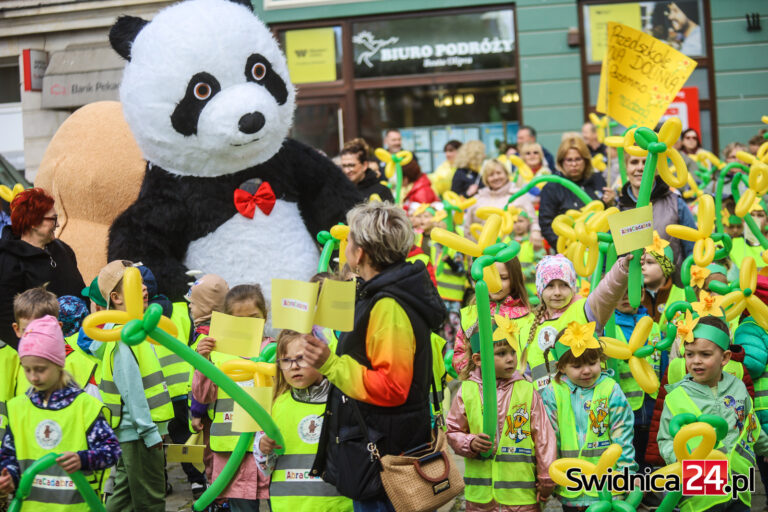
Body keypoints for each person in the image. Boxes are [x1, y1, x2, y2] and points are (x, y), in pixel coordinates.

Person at [303, 201, 445, 510]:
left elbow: (391, 388)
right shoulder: (380, 293)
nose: (345, 246)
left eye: (349, 240)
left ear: (361, 251)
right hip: (380, 447)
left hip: (384, 455)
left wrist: (330, 364)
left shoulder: (388, 306)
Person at [0, 315, 122, 509]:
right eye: (27, 369)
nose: (33, 377)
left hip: (77, 507)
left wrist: (82, 459)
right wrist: (9, 477)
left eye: (40, 369)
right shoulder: (17, 408)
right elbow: (9, 455)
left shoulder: (85, 406)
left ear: (58, 363)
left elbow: (111, 451)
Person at [658, 315, 768, 511]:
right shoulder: (675, 398)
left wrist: (765, 448)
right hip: (700, 492)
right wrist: (680, 459)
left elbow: (751, 424)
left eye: (705, 354)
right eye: (690, 354)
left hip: (738, 486)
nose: (696, 361)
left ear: (725, 358)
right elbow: (665, 439)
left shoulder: (738, 388)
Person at [90, 260, 173, 512]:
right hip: (138, 434)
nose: (145, 289)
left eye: (143, 282)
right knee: (151, 500)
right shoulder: (125, 336)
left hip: (134, 433)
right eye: (135, 284)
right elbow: (132, 390)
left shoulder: (132, 331)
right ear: (116, 298)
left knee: (124, 497)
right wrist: (149, 432)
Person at [446, 327, 556, 511]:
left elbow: (544, 437)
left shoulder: (527, 389)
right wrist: (469, 442)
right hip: (481, 498)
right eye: (501, 353)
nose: (511, 358)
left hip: (521, 496)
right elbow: (453, 430)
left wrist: (546, 480)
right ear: (478, 359)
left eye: (513, 351)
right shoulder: (467, 391)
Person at [540, 322, 637, 510]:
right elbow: (549, 439)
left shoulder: (611, 390)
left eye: (592, 363)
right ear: (561, 367)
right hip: (571, 486)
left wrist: (626, 476)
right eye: (577, 366)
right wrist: (549, 477)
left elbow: (623, 436)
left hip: (608, 488)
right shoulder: (553, 393)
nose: (586, 371)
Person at [253, 330, 352, 512]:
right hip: (288, 506)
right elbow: (265, 468)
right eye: (286, 360)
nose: (294, 366)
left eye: (302, 358)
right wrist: (263, 448)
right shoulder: (276, 405)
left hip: (336, 504)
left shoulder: (343, 401)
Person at [193, 283, 272, 511]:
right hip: (231, 452)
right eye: (240, 319)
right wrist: (203, 362)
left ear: (264, 317)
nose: (248, 325)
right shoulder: (217, 355)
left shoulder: (276, 350)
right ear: (229, 320)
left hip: (268, 450)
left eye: (254, 317)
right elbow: (203, 395)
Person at [523, 254, 631, 390]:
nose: (557, 292)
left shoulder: (586, 310)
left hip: (587, 405)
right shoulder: (529, 327)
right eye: (550, 286)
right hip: (548, 408)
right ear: (539, 291)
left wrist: (622, 268)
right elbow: (526, 375)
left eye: (564, 285)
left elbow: (608, 291)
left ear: (573, 288)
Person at [0, 187, 86, 349]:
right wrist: (30, 351)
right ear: (33, 222)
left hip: (78, 346)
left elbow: (80, 290)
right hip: (39, 352)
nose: (58, 224)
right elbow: (4, 316)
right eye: (53, 219)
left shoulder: (63, 249)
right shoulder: (8, 260)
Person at [453, 258, 531, 374]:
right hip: (479, 389)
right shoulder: (472, 315)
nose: (496, 284)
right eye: (490, 277)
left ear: (515, 280)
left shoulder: (528, 319)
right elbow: (460, 354)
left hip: (517, 389)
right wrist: (475, 376)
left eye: (503, 278)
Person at [187, 273, 229, 486]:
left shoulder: (206, 337)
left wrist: (196, 412)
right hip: (217, 412)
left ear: (206, 306)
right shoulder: (225, 330)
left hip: (209, 413)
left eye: (193, 303)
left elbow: (205, 377)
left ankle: (217, 501)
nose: (191, 308)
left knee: (212, 461)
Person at [538, 137, 616, 249]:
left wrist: (610, 202)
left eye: (578, 159)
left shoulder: (598, 179)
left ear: (586, 160)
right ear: (561, 162)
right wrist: (566, 248)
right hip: (568, 250)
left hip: (598, 247)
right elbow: (546, 224)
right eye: (569, 160)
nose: (574, 164)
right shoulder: (552, 187)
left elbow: (607, 215)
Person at [619, 154, 696, 266]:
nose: (640, 167)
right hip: (631, 283)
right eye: (634, 162)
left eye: (646, 162)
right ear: (626, 168)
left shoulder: (676, 204)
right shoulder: (618, 210)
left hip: (674, 283)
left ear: (657, 167)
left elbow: (693, 250)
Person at [462, 159, 540, 246]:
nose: (496, 177)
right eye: (491, 175)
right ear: (486, 179)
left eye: (499, 173)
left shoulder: (519, 195)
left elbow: (533, 220)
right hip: (483, 253)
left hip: (513, 251)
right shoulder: (478, 199)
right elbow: (467, 228)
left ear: (506, 174)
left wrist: (535, 232)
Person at [340, 139, 394, 203]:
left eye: (351, 165)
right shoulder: (340, 191)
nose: (347, 171)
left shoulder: (381, 191)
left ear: (364, 165)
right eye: (344, 166)